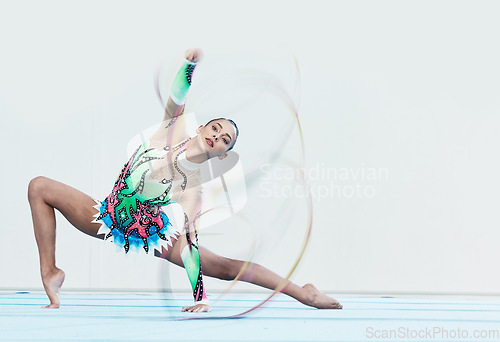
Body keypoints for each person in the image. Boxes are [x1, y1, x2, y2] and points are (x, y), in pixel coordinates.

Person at [28, 48, 343, 312]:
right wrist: (189, 66)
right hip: (107, 215)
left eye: (225, 140)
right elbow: (177, 97)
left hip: (149, 232)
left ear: (222, 154)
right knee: (40, 186)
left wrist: (201, 297)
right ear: (200, 129)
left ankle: (305, 294)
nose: (218, 135)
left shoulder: (193, 189)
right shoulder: (167, 134)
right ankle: (50, 271)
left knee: (222, 267)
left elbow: (191, 246)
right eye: (216, 128)